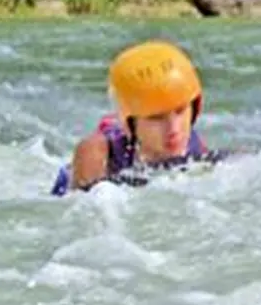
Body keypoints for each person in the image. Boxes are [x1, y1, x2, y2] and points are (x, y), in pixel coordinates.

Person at [50, 39, 231, 196]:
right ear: (131, 123)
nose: (174, 129)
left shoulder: (195, 149)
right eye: (156, 118)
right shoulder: (95, 151)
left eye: (180, 111)